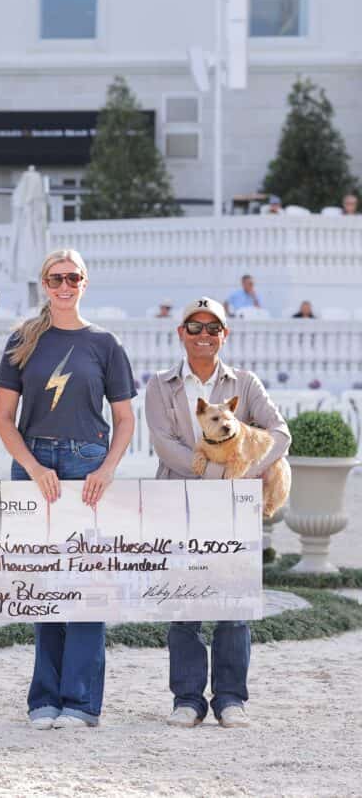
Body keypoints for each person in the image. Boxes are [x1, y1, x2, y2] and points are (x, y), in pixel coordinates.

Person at [0, 249, 136, 730]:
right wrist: (32, 467)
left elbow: (124, 419)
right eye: (56, 278)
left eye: (73, 277)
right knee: (43, 585)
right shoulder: (23, 340)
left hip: (87, 466)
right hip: (36, 468)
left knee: (88, 587)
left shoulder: (106, 344)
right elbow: (2, 420)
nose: (64, 285)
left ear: (85, 282)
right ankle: (44, 699)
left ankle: (80, 702)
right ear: (44, 284)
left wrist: (108, 468)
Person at [144, 297, 290, 729]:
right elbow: (165, 446)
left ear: (224, 335)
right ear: (181, 334)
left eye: (213, 328)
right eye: (195, 327)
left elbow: (279, 436)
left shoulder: (246, 384)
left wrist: (242, 471)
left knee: (234, 607)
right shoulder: (160, 385)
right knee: (183, 606)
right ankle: (187, 700)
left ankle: (230, 699)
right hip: (180, 503)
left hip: (234, 510)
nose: (203, 335)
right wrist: (217, 479)